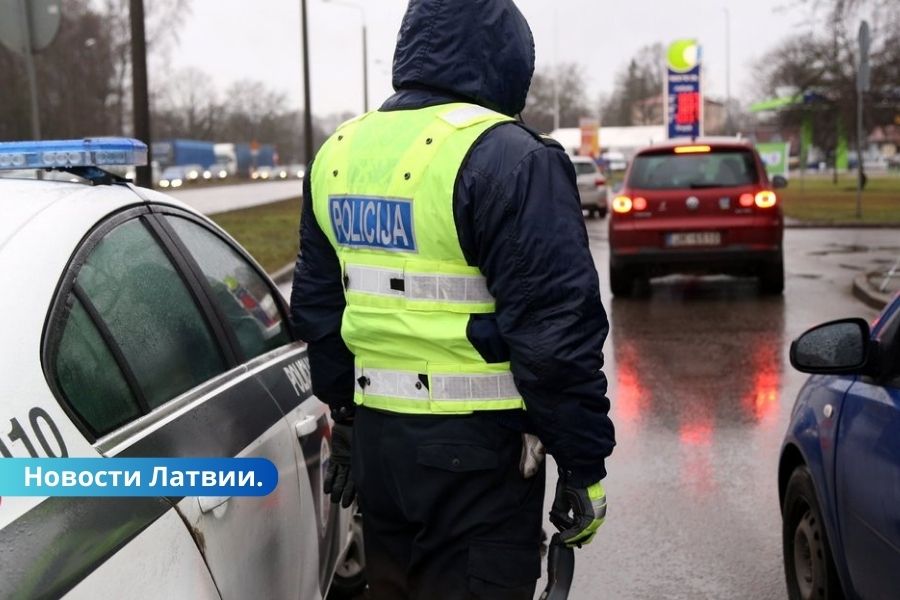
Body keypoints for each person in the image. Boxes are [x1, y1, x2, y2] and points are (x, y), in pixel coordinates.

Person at [290, 0, 615, 597]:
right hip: (476, 461)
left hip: (382, 453)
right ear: (508, 59)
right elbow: (555, 339)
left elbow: (320, 311)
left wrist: (348, 421)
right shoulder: (511, 158)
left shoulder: (338, 153)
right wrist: (582, 464)